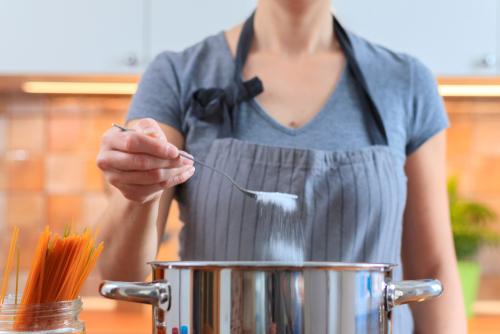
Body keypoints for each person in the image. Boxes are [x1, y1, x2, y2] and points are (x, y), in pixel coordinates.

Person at [96, 0, 466, 332]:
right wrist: (138, 188)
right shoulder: (179, 74)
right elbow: (121, 272)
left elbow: (433, 271)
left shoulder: (406, 82)